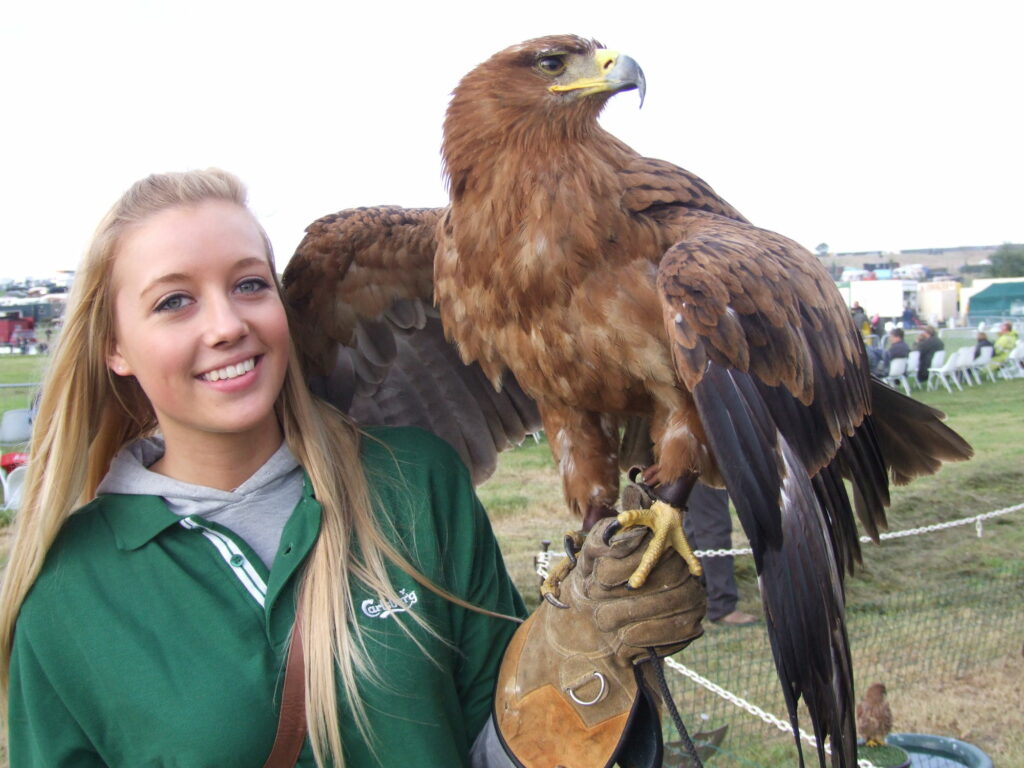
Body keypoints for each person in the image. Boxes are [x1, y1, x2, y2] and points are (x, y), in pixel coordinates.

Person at [0, 169, 704, 768]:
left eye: (250, 285)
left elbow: (505, 742)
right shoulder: (67, 595)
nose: (226, 325)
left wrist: (586, 665)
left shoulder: (415, 487)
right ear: (114, 346)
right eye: (174, 301)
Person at [684, 485, 758, 625]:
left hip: (683, 465)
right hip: (700, 465)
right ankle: (722, 607)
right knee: (713, 523)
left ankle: (698, 597)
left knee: (693, 520)